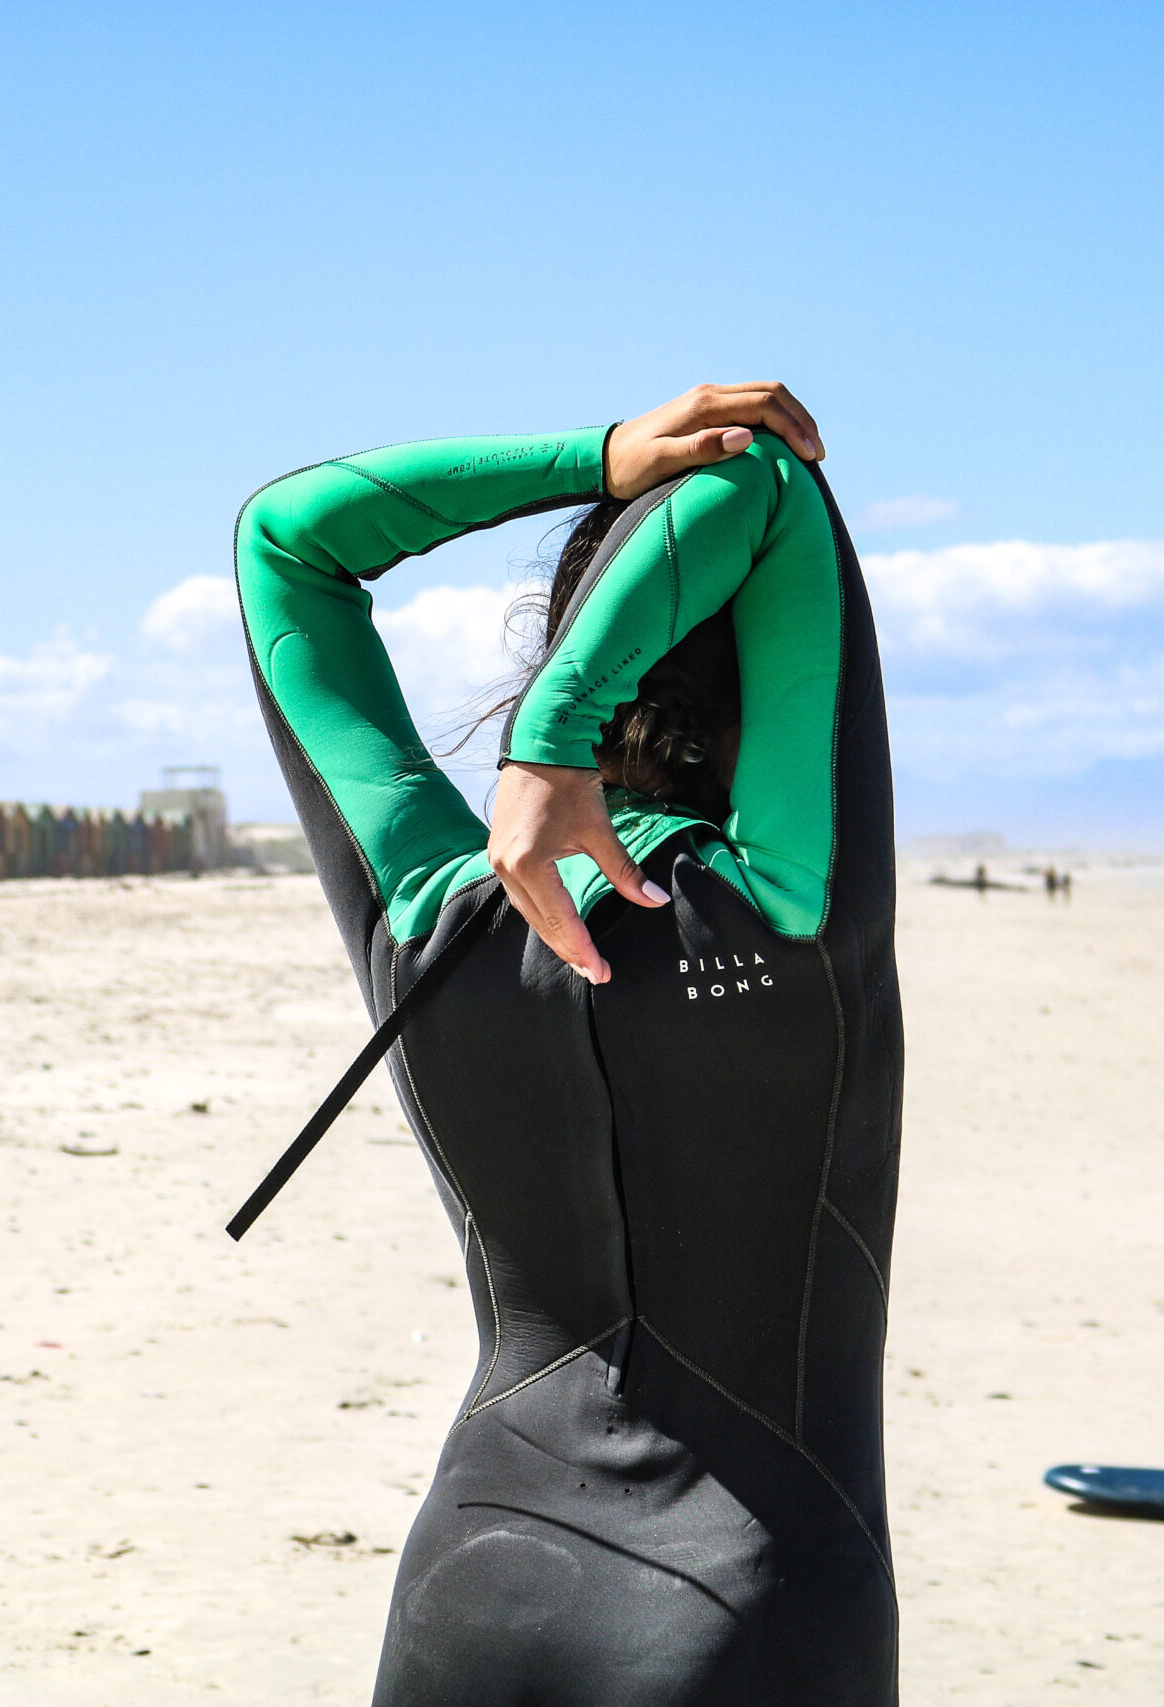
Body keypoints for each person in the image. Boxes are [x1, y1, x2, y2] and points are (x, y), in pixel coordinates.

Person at [233, 383, 900, 1704]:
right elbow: (768, 480)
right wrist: (558, 734)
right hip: (750, 1602)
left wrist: (597, 457)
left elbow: (286, 541)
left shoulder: (433, 907)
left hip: (472, 1578)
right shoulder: (785, 904)